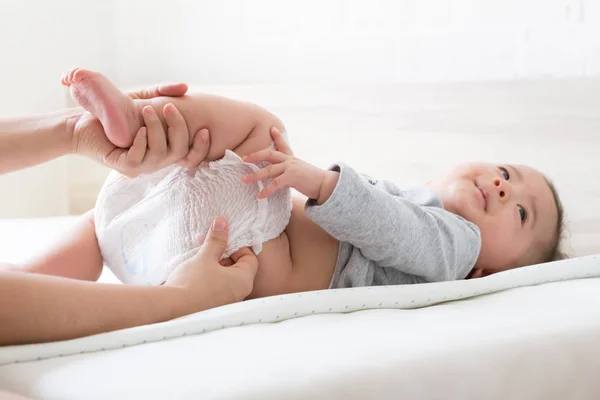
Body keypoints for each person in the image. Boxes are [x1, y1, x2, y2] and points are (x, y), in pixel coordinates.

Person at [9, 68, 566, 304]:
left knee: (258, 126)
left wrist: (321, 183)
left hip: (252, 256)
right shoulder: (412, 201)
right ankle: (21, 292)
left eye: (522, 214)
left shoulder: (457, 250)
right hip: (203, 248)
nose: (502, 186)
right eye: (508, 173)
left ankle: (139, 123)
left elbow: (398, 230)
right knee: (104, 225)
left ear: (492, 271)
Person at [0, 82, 259, 346]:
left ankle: (139, 120)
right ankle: (140, 119)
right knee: (252, 128)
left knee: (252, 129)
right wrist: (183, 296)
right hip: (199, 255)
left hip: (159, 256)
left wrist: (76, 129)